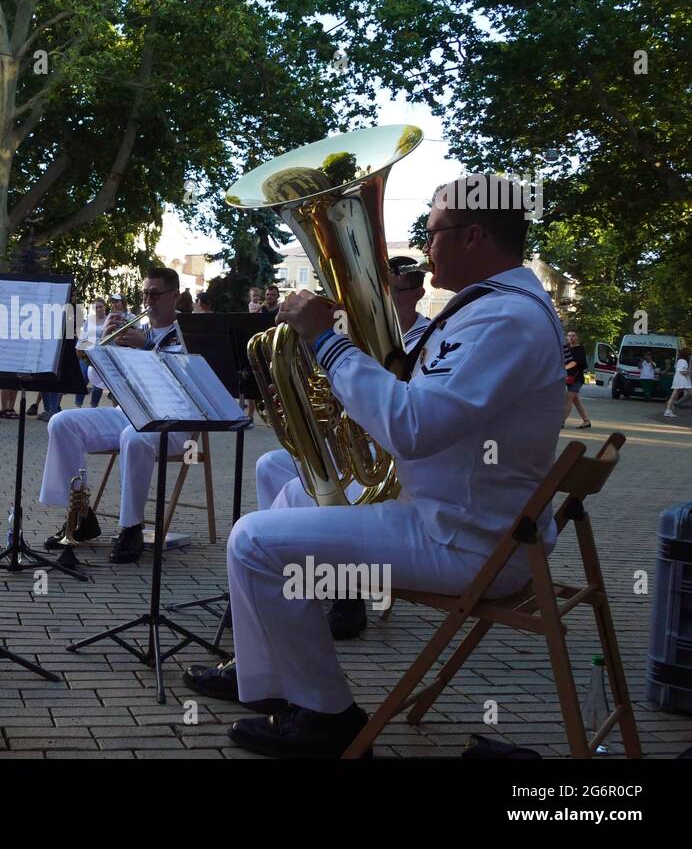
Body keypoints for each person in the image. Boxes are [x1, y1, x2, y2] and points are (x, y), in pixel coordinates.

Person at [193, 174, 565, 758]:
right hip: (459, 514)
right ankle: (265, 674)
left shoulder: (504, 320)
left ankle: (326, 716)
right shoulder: (490, 308)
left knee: (253, 541)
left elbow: (412, 427)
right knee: (287, 486)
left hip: (463, 538)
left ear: (472, 237)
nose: (424, 243)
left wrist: (328, 343)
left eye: (433, 231)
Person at [230, 254, 431, 644]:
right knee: (272, 465)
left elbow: (407, 411)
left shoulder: (425, 340)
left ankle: (346, 595)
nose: (379, 300)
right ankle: (299, 577)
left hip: (390, 463)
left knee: (309, 491)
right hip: (357, 450)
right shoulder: (352, 335)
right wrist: (295, 397)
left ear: (418, 293)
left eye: (390, 292)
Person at [37, 267, 186, 563]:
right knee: (62, 422)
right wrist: (103, 346)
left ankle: (131, 527)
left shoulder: (187, 334)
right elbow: (99, 380)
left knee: (134, 437)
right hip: (128, 412)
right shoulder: (136, 331)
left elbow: (179, 379)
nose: (147, 300)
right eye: (144, 293)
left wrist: (146, 347)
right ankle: (79, 516)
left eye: (154, 294)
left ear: (175, 297)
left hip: (174, 421)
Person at [75, 297, 108, 408]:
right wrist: (78, 349)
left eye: (100, 307)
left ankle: (93, 406)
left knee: (97, 383)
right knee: (82, 379)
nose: (98, 309)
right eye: (96, 307)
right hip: (86, 354)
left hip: (100, 355)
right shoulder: (89, 320)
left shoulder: (109, 320)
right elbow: (83, 335)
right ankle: (78, 405)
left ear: (105, 306)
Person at [563, 330, 592, 427]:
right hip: (568, 378)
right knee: (576, 401)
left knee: (568, 399)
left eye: (573, 336)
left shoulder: (579, 349)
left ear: (577, 337)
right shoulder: (566, 348)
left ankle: (561, 422)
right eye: (569, 335)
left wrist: (563, 368)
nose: (571, 337)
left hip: (577, 379)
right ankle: (586, 421)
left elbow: (574, 362)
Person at [665, 347, 691, 418]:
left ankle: (668, 410)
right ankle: (672, 407)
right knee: (689, 392)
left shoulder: (679, 360)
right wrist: (690, 372)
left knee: (674, 395)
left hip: (678, 379)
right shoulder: (684, 361)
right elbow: (683, 372)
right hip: (683, 380)